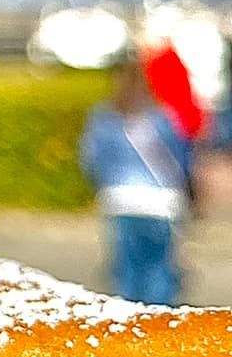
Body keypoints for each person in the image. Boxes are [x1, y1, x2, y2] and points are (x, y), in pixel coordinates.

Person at [80, 58, 194, 306]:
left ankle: (132, 329)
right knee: (160, 267)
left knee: (128, 270)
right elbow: (182, 155)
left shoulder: (104, 117)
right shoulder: (162, 116)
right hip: (161, 200)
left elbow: (91, 158)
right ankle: (161, 328)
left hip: (120, 199)